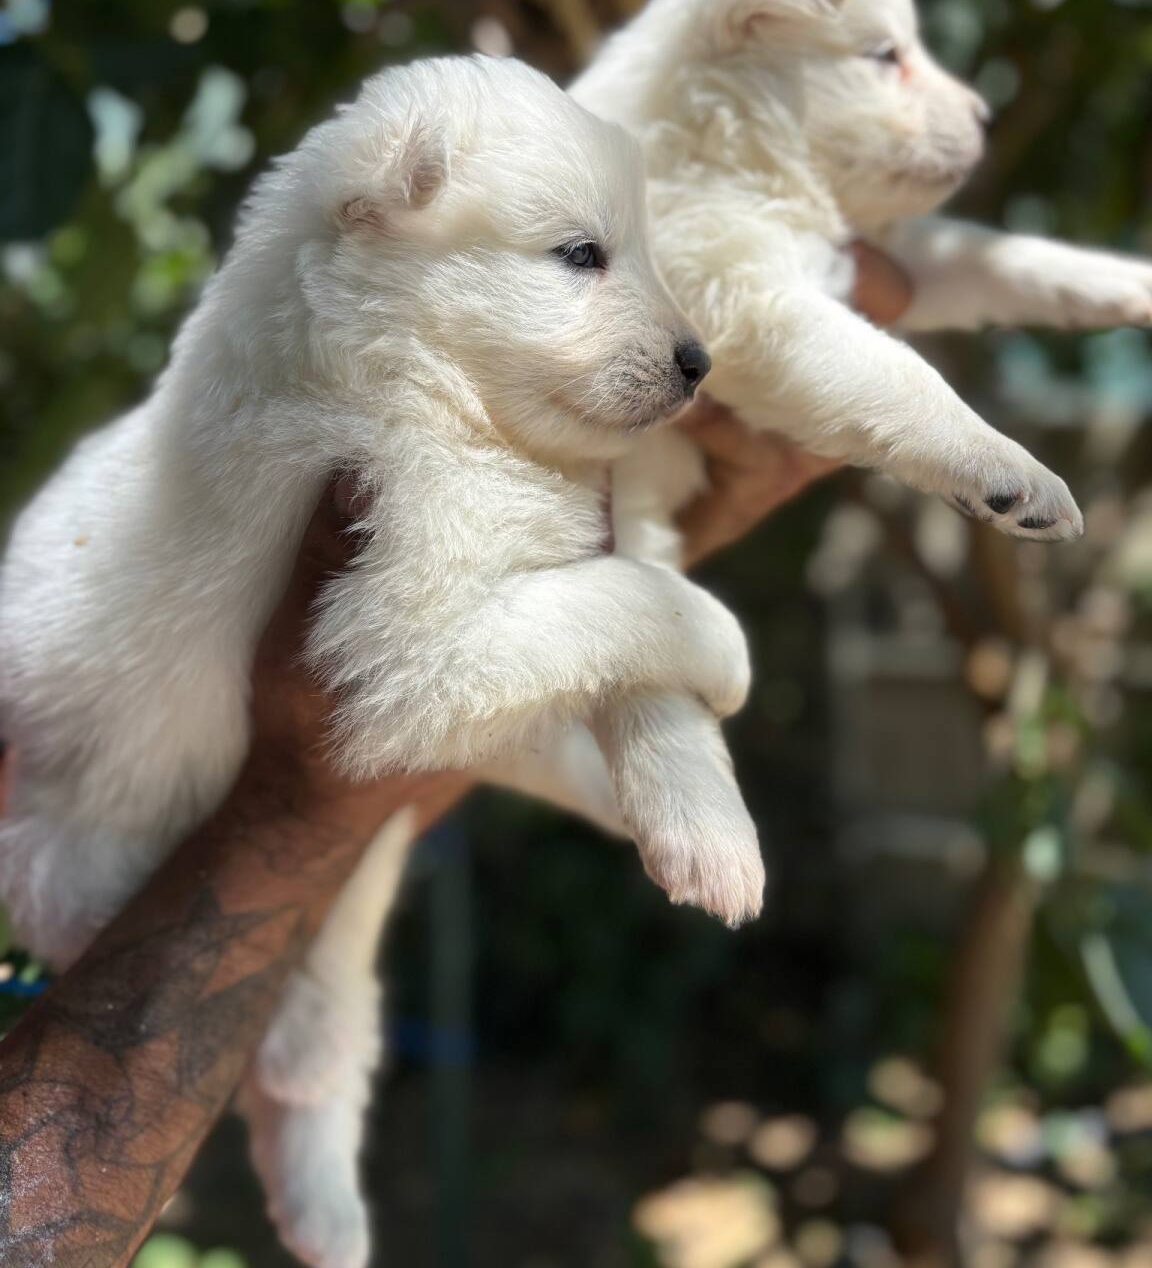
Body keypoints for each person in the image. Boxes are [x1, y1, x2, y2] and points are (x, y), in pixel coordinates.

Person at [0, 245, 911, 1264]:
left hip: (157, 809)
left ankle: (314, 1132)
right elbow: (387, 703)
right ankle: (314, 1129)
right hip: (130, 801)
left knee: (331, 991)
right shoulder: (347, 399)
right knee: (325, 988)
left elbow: (433, 705)